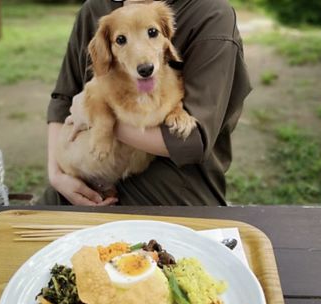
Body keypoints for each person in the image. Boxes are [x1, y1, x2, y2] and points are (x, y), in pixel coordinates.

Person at [42, 0, 251, 206]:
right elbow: (62, 98)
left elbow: (192, 140)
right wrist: (57, 176)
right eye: (121, 40)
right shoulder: (93, 10)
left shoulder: (210, 14)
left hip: (170, 192)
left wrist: (96, 117)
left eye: (152, 33)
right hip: (78, 181)